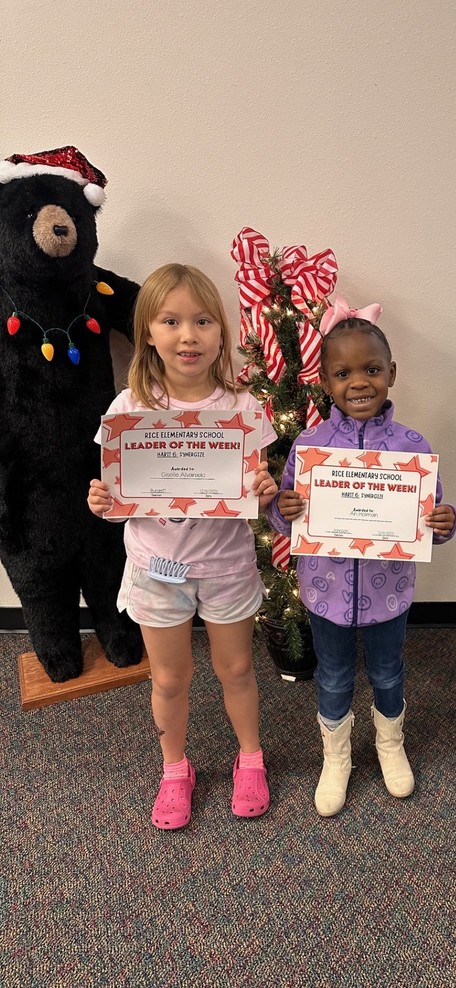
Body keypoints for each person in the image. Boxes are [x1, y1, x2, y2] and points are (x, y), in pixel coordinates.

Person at [87, 263, 278, 829]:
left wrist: (264, 491)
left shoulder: (243, 409)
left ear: (222, 332)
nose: (187, 335)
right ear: (148, 332)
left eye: (202, 321)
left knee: (237, 669)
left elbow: (255, 487)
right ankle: (176, 769)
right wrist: (101, 500)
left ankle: (251, 758)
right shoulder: (128, 410)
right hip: (155, 568)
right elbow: (113, 489)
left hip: (225, 567)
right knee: (168, 678)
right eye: (170, 321)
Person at [268, 297, 456, 816]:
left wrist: (444, 522)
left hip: (388, 591)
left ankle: (390, 745)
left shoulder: (412, 448)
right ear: (325, 381)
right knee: (332, 674)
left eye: (372, 369)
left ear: (392, 374)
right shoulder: (311, 445)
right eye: (343, 372)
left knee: (389, 672)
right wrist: (283, 508)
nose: (359, 382)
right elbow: (286, 515)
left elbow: (433, 516)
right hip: (325, 592)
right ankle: (337, 758)